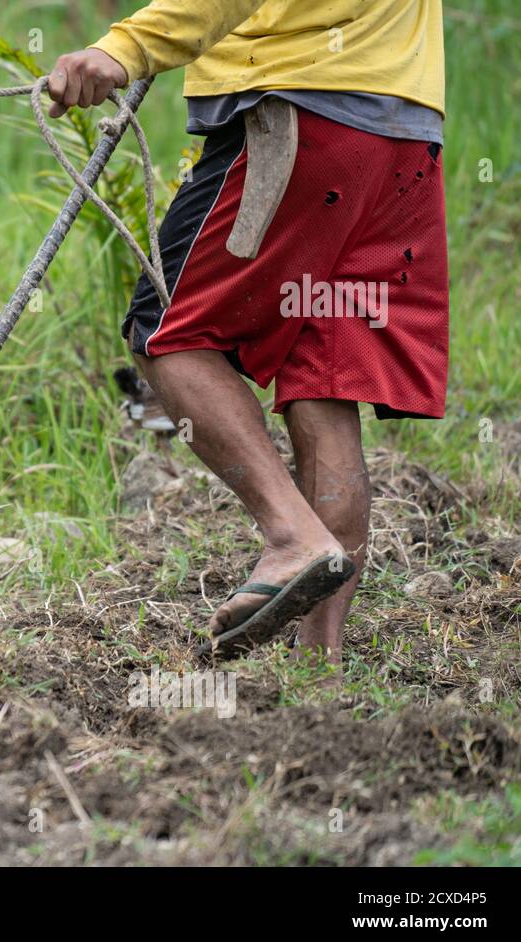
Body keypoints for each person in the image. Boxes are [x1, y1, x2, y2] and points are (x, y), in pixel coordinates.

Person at [47, 1, 448, 664]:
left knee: (165, 331)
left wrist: (126, 46)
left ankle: (292, 536)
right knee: (324, 383)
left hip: (300, 108)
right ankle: (319, 663)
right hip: (402, 132)